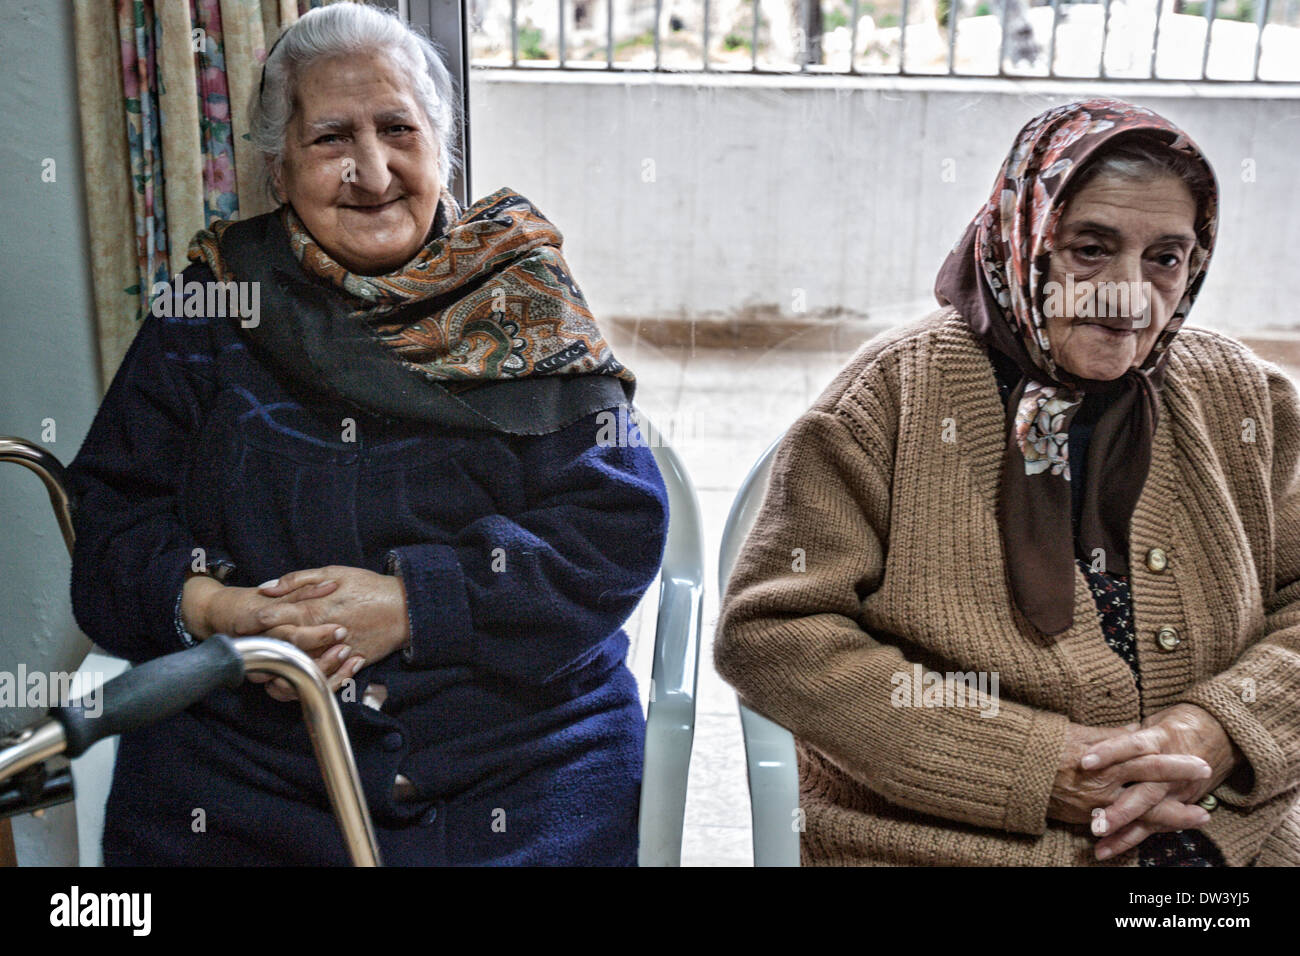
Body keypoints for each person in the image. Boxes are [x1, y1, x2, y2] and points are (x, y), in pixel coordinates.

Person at [67, 4, 668, 866]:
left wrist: (415, 604)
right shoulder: (213, 307)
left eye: (398, 129)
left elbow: (612, 535)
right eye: (330, 139)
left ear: (441, 146)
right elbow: (111, 531)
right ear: (278, 169)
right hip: (249, 762)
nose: (373, 170)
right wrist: (225, 614)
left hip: (514, 754)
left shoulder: (522, 303)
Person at [715, 98, 1300, 866]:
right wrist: (1030, 767)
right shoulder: (891, 398)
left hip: (1226, 835)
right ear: (1025, 240)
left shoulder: (1247, 397)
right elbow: (775, 637)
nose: (1130, 295)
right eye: (1091, 249)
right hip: (949, 844)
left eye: (1165, 257)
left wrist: (1220, 728)